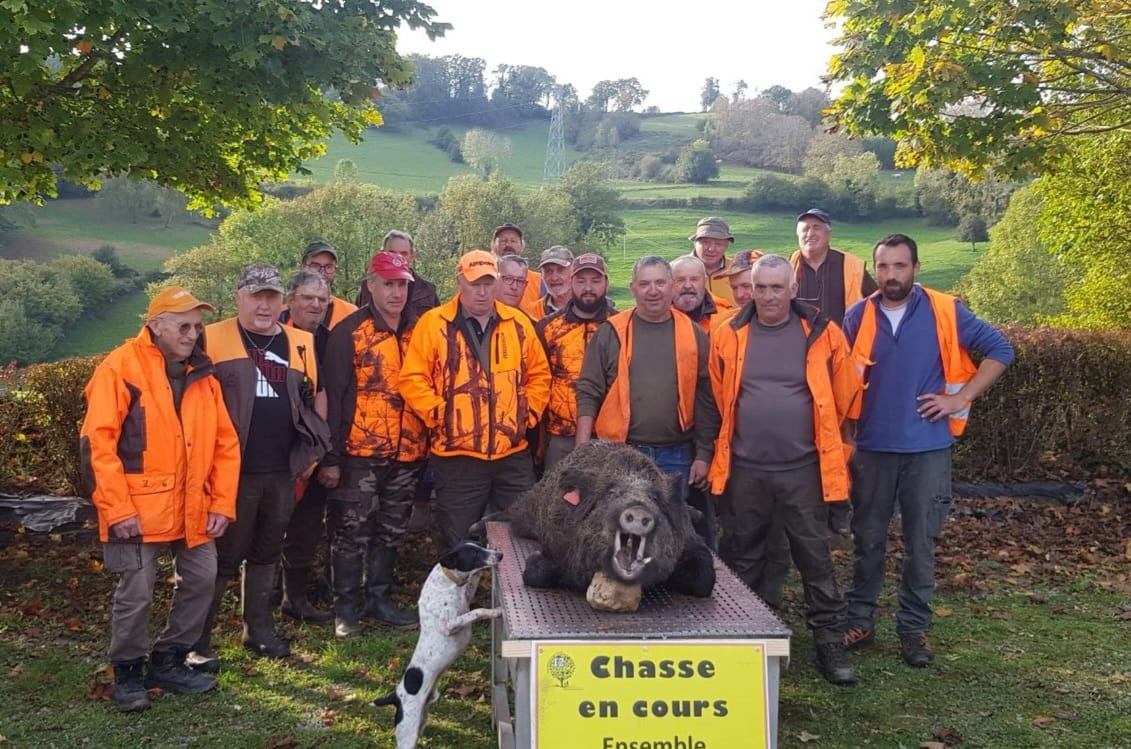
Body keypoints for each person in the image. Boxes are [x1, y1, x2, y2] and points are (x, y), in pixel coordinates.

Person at [841, 233, 1013, 668]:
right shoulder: (857, 315)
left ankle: (913, 629)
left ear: (916, 268)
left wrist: (960, 398)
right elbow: (839, 381)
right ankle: (859, 621)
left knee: (921, 543)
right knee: (868, 540)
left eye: (899, 266)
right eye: (883, 266)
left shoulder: (945, 310)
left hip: (927, 448)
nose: (890, 275)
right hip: (871, 449)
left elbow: (1001, 349)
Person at [80, 286, 241, 711]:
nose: (193, 334)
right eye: (183, 326)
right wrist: (118, 510)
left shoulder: (202, 374)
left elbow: (225, 445)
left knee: (203, 579)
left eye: (197, 326)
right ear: (155, 326)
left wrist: (222, 503)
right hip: (134, 510)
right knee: (136, 594)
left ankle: (169, 660)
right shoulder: (119, 368)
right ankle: (128, 672)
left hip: (194, 507)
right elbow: (97, 446)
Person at [707, 254, 860, 685]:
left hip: (804, 470)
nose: (769, 296)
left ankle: (829, 643)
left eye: (777, 287)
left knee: (815, 558)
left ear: (793, 290)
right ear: (749, 290)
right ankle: (740, 640)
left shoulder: (824, 333)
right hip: (745, 469)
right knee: (742, 556)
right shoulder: (727, 333)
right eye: (761, 287)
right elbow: (718, 397)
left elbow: (846, 397)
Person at [193, 264, 330, 665]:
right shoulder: (211, 338)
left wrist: (315, 448)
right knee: (223, 555)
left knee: (268, 551)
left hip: (282, 470)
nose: (264, 305)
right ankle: (197, 640)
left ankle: (257, 631)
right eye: (255, 296)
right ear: (238, 297)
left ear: (282, 300)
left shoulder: (301, 342)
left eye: (271, 296)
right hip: (230, 473)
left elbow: (315, 395)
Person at [399, 250, 551, 551]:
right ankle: (460, 584)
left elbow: (540, 375)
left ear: (497, 283)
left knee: (525, 537)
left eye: (488, 283)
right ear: (459, 282)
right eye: (474, 284)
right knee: (458, 542)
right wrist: (441, 416)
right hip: (457, 457)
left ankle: (513, 584)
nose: (482, 292)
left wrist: (526, 415)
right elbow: (412, 379)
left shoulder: (518, 323)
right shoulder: (433, 323)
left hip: (511, 455)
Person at [575, 256, 721, 547]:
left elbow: (706, 398)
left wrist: (704, 454)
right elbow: (588, 390)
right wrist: (582, 450)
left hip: (676, 455)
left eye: (659, 283)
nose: (653, 291)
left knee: (669, 538)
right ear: (633, 289)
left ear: (672, 286)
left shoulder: (694, 335)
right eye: (644, 284)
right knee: (619, 534)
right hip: (621, 454)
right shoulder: (611, 332)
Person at [321, 252, 428, 636]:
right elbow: (333, 397)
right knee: (351, 532)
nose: (396, 293)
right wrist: (330, 457)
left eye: (402, 285)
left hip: (409, 451)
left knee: (392, 529)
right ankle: (346, 610)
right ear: (371, 285)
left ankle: (379, 600)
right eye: (388, 284)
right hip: (360, 453)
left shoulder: (421, 330)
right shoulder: (350, 331)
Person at [276, 270, 334, 624]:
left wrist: (326, 455)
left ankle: (294, 599)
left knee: (306, 527)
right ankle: (259, 602)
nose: (315, 305)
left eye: (322, 299)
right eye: (307, 298)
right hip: (273, 451)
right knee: (265, 527)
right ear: (290, 300)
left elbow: (336, 398)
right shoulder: (270, 337)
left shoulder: (332, 340)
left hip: (315, 451)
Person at [535, 253, 615, 472]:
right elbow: (538, 382)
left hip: (608, 436)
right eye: (581, 281)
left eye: (595, 281)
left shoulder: (619, 326)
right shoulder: (548, 328)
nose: (588, 288)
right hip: (560, 436)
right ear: (571, 283)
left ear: (606, 283)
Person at [790, 209, 879, 325]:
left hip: (844, 336)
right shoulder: (787, 268)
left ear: (829, 234)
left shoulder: (852, 267)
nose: (810, 234)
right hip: (798, 337)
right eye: (805, 229)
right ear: (798, 235)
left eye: (816, 228)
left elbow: (877, 303)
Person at [354, 230, 441, 318]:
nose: (397, 259)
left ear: (412, 255)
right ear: (382, 253)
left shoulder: (427, 291)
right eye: (392, 253)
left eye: (403, 254)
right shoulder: (368, 289)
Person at [301, 240, 359, 328]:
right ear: (303, 267)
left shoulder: (351, 313)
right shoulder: (283, 314)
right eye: (315, 266)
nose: (322, 272)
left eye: (328, 266)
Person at [671, 254, 732, 332]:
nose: (687, 285)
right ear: (670, 282)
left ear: (705, 281)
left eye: (694, 279)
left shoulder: (723, 317)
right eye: (680, 280)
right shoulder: (658, 315)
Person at [689, 216, 737, 305]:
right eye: (706, 242)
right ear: (695, 243)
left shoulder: (737, 270)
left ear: (726, 246)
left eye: (718, 244)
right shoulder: (676, 270)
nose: (711, 249)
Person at [492, 223, 542, 307]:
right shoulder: (484, 276)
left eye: (513, 241)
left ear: (522, 245)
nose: (508, 245)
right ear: (494, 245)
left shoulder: (539, 281)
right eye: (503, 241)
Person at [524, 245, 574, 320]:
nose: (554, 278)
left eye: (560, 270)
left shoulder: (588, 308)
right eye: (548, 271)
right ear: (542, 275)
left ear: (573, 272)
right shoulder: (531, 312)